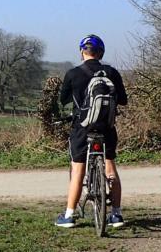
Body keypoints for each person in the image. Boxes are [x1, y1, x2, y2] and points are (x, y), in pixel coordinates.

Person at [55, 34, 128, 228]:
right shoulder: (111, 72)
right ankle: (116, 215)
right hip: (107, 127)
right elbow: (123, 100)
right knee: (110, 166)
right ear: (101, 53)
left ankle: (69, 216)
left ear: (82, 52)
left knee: (78, 168)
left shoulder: (73, 74)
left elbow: (63, 100)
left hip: (82, 127)